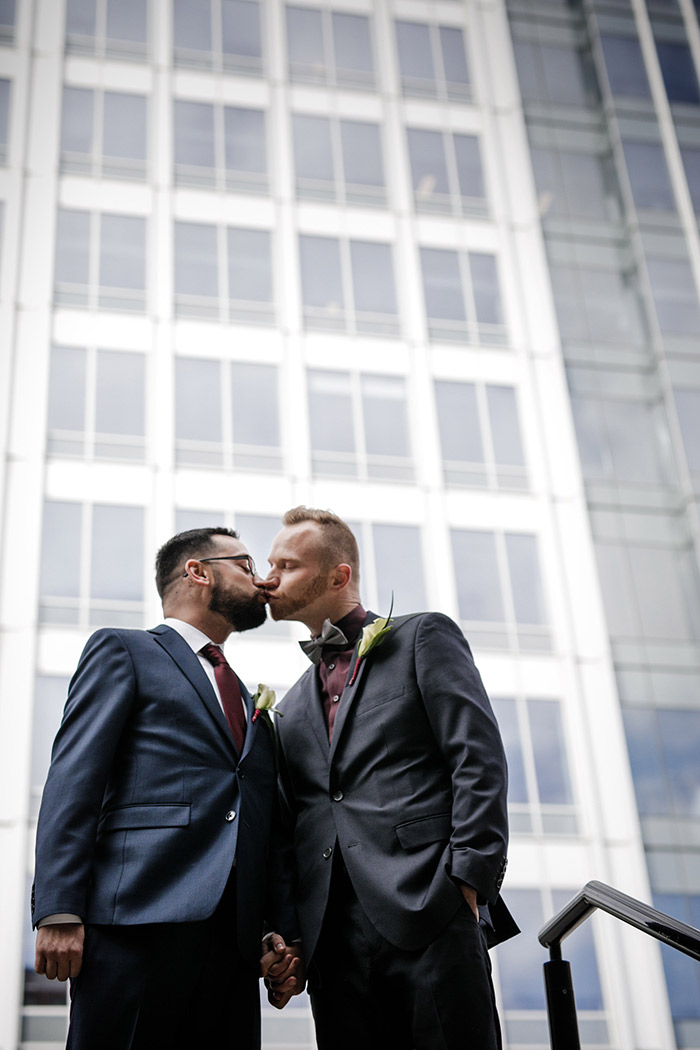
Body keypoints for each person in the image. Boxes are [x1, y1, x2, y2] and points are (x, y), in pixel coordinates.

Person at [32, 526, 302, 1050]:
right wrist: (60, 909)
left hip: (233, 950)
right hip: (136, 924)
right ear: (198, 572)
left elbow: (260, 823)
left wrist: (274, 930)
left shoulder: (247, 700)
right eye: (246, 565)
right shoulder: (125, 651)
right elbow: (73, 779)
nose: (263, 580)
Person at [262, 506, 519, 1049]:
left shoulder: (423, 637)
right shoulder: (287, 710)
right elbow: (291, 827)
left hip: (432, 908)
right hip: (334, 945)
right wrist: (298, 935)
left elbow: (477, 759)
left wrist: (467, 881)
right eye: (269, 565)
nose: (269, 578)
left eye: (287, 565)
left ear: (339, 576)